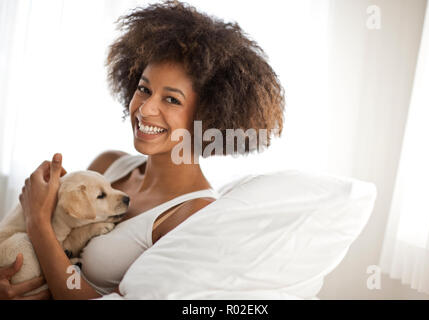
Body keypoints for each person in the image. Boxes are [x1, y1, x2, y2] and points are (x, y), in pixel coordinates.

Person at [0, 0, 284, 300]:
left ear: (208, 116)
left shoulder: (192, 213)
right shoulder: (109, 165)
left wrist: (37, 222)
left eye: (172, 100)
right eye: (144, 89)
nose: (145, 109)